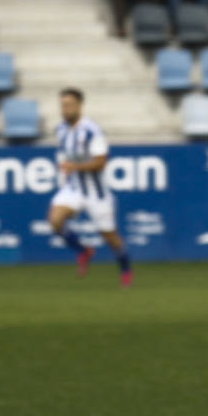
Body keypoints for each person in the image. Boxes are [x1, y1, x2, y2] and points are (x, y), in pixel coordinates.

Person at [48, 89, 133, 286]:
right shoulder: (61, 130)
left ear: (80, 106)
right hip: (74, 188)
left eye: (69, 105)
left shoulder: (92, 131)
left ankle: (126, 270)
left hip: (97, 193)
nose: (65, 109)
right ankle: (84, 250)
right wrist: (64, 167)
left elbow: (101, 162)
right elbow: (63, 155)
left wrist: (74, 166)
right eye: (63, 105)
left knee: (111, 237)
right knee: (55, 220)